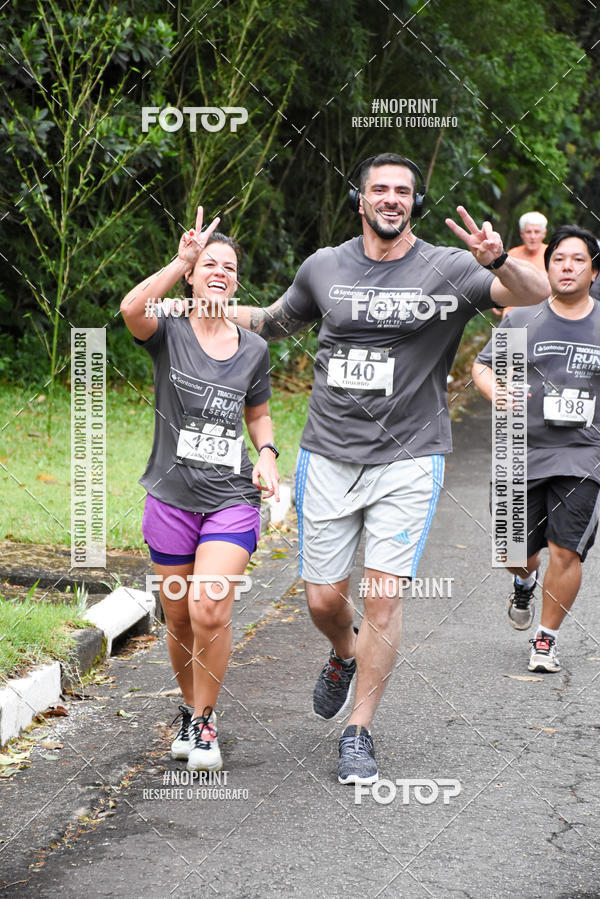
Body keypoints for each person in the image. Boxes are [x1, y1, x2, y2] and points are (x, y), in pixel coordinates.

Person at [232, 152, 550, 784]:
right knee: (324, 599)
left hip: (409, 456)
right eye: (380, 189)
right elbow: (274, 320)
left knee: (382, 598)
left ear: (413, 202)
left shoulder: (449, 267)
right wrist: (206, 309)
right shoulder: (325, 266)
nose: (392, 199)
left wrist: (497, 259)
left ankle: (359, 730)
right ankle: (343, 653)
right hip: (326, 452)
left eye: (403, 191)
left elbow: (537, 294)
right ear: (361, 199)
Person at [120, 207, 280, 771]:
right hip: (169, 496)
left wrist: (265, 454)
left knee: (208, 606)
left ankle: (207, 722)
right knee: (179, 617)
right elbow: (130, 310)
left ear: (236, 280)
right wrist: (179, 259)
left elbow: (258, 416)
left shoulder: (252, 349)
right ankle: (189, 709)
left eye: (228, 266)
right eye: (208, 263)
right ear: (192, 275)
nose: (219, 271)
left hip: (231, 497)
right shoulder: (169, 331)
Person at [472, 224, 600, 673]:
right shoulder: (523, 318)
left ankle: (546, 639)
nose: (567, 267)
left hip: (583, 455)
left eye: (578, 260)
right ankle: (525, 582)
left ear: (594, 271)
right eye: (559, 259)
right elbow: (483, 367)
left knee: (565, 550)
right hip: (519, 451)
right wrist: (497, 392)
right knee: (515, 554)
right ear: (547, 268)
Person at [496, 211, 549, 318]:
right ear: (522, 234)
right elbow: (497, 281)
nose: (532, 237)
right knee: (506, 334)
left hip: (543, 316)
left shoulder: (553, 254)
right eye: (528, 232)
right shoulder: (511, 255)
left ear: (544, 233)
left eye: (537, 232)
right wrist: (491, 300)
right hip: (513, 315)